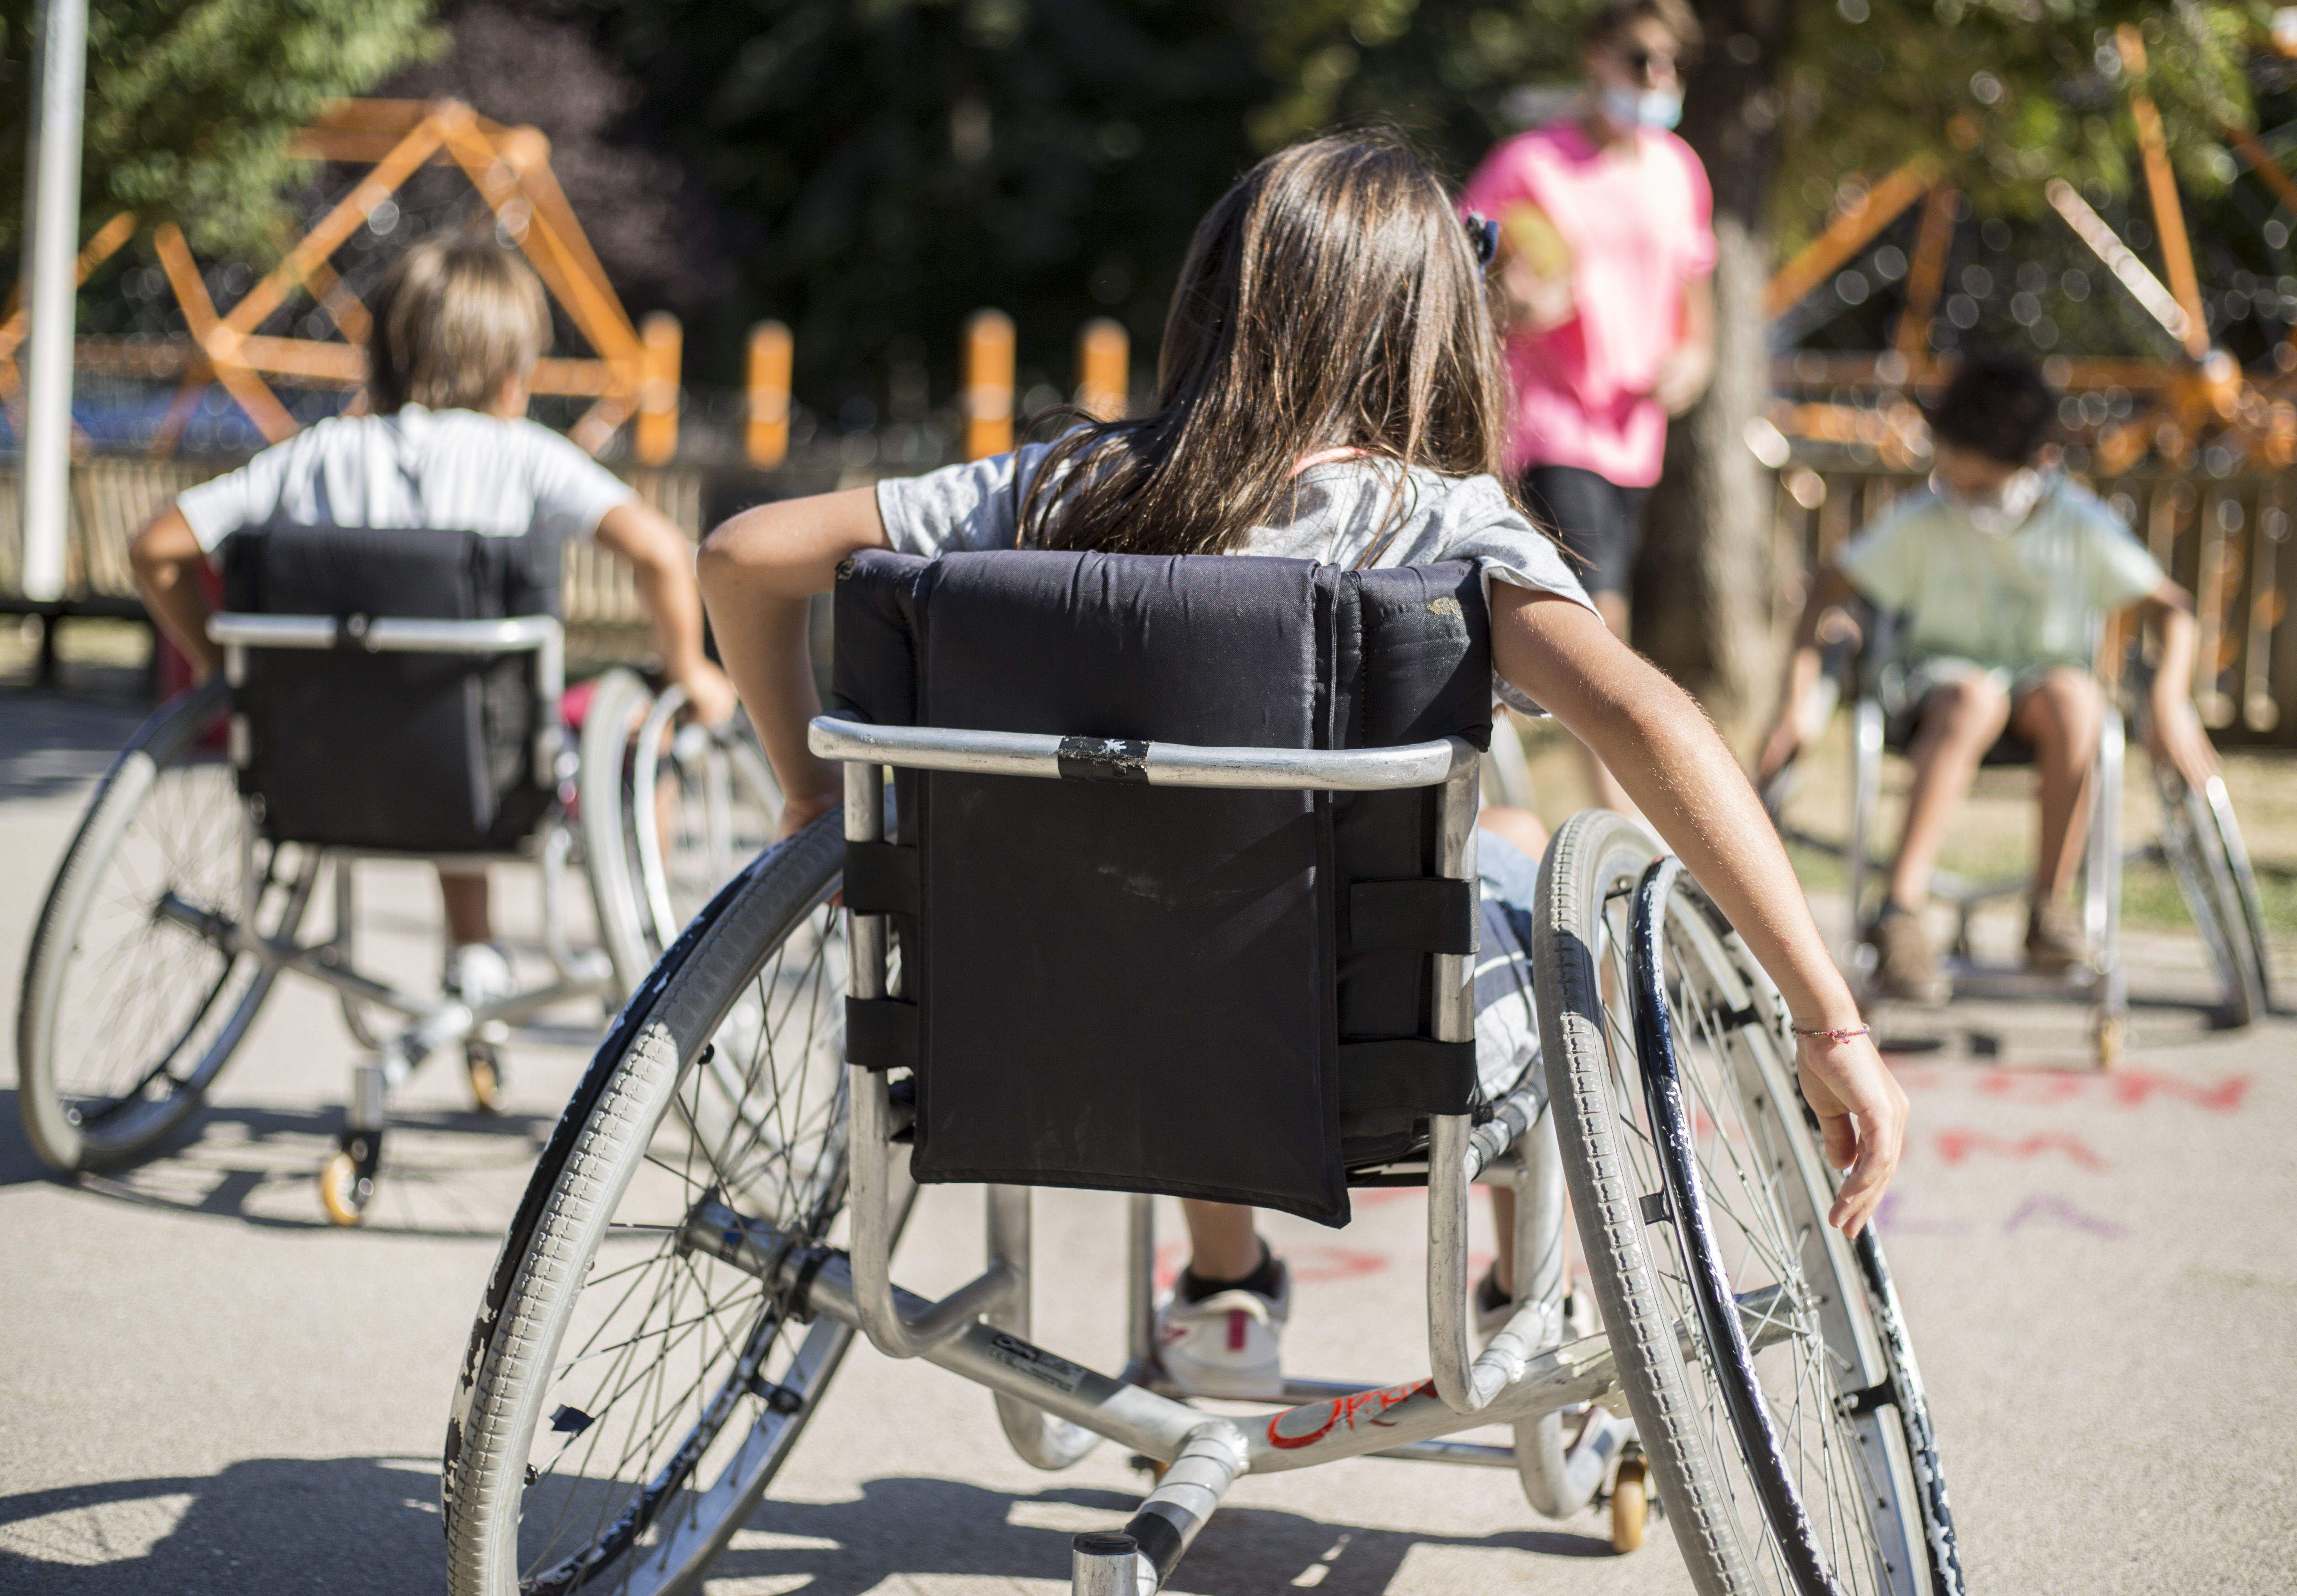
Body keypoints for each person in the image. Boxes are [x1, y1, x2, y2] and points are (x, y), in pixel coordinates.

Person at [699, 130, 1902, 1399]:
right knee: (1527, 872)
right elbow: (1655, 727)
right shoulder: (1442, 534)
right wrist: (1829, 1017)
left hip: (1031, 1032)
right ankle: (1518, 1287)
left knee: (1155, 894)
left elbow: (739, 556)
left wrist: (803, 790)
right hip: (1362, 1060)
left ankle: (1224, 1291)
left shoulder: (1054, 488)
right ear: (1435, 328)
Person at [128, 229, 734, 1020]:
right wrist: (690, 670)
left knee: (435, 702)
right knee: (601, 723)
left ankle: (473, 952)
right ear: (514, 370)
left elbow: (155, 549)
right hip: (485, 780)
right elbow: (659, 556)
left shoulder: (315, 457)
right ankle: (645, 957)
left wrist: (219, 669)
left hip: (322, 770)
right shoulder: (525, 457)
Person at [1756, 352, 2217, 1004]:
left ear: (2042, 464)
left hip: (2040, 694)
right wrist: (1795, 705)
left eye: (1979, 488)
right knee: (1975, 697)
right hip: (1940, 692)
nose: (1963, 498)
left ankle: (2049, 907)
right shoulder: (1926, 520)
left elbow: (2172, 609)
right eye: (1952, 480)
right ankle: (1901, 912)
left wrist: (2169, 701)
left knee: (2079, 700)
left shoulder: (2078, 524)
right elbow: (1827, 591)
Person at [1459, 0, 1717, 813]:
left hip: (1632, 433)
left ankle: (1474, 794)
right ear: (1596, 57)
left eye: (1673, 64)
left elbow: (1694, 285)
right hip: (1548, 424)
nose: (1660, 80)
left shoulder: (1678, 168)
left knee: (1564, 626)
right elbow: (1466, 278)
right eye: (1643, 59)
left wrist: (1697, 354)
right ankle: (1621, 828)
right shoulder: (1530, 164)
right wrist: (1518, 300)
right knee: (1594, 623)